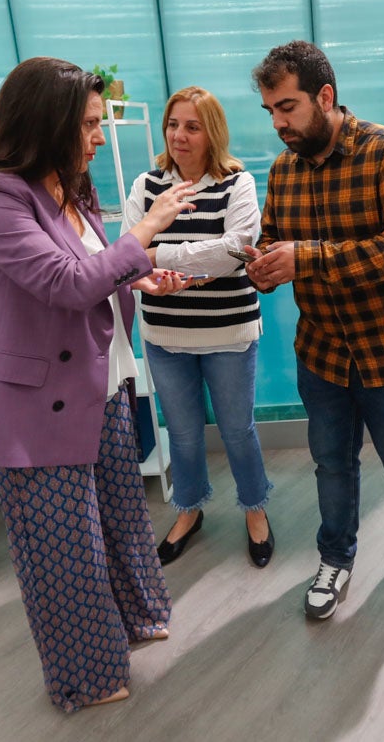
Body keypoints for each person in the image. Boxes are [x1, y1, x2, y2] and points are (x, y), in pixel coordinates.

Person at [0, 56, 198, 711]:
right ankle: (85, 677)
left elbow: (86, 268)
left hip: (101, 377)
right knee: (62, 551)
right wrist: (143, 234)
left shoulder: (69, 185)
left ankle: (137, 620)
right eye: (87, 123)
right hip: (29, 402)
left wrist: (133, 275)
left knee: (119, 518)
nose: (99, 136)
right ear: (46, 122)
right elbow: (63, 284)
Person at [245, 40, 384, 621]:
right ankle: (335, 557)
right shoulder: (283, 171)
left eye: (287, 107)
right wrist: (260, 264)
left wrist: (306, 257)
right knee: (332, 463)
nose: (278, 123)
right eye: (271, 112)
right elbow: (276, 241)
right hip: (324, 352)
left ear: (325, 97)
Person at [121, 86, 273, 567]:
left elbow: (234, 251)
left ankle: (255, 509)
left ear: (213, 133)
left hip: (228, 331)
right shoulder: (147, 185)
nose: (179, 135)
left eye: (192, 125)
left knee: (237, 430)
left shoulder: (238, 183)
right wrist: (147, 270)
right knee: (183, 434)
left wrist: (157, 254)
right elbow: (127, 258)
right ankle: (189, 510)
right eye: (173, 124)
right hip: (165, 334)